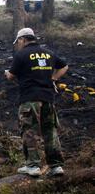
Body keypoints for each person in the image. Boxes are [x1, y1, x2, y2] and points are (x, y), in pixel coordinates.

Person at [5, 28, 69, 178]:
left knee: (29, 131)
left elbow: (11, 76)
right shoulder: (49, 53)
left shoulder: (21, 55)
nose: (18, 45)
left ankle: (33, 166)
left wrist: (7, 73)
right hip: (48, 99)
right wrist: (53, 78)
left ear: (23, 39)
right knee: (50, 131)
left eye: (18, 42)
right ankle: (56, 165)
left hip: (30, 99)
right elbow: (64, 66)